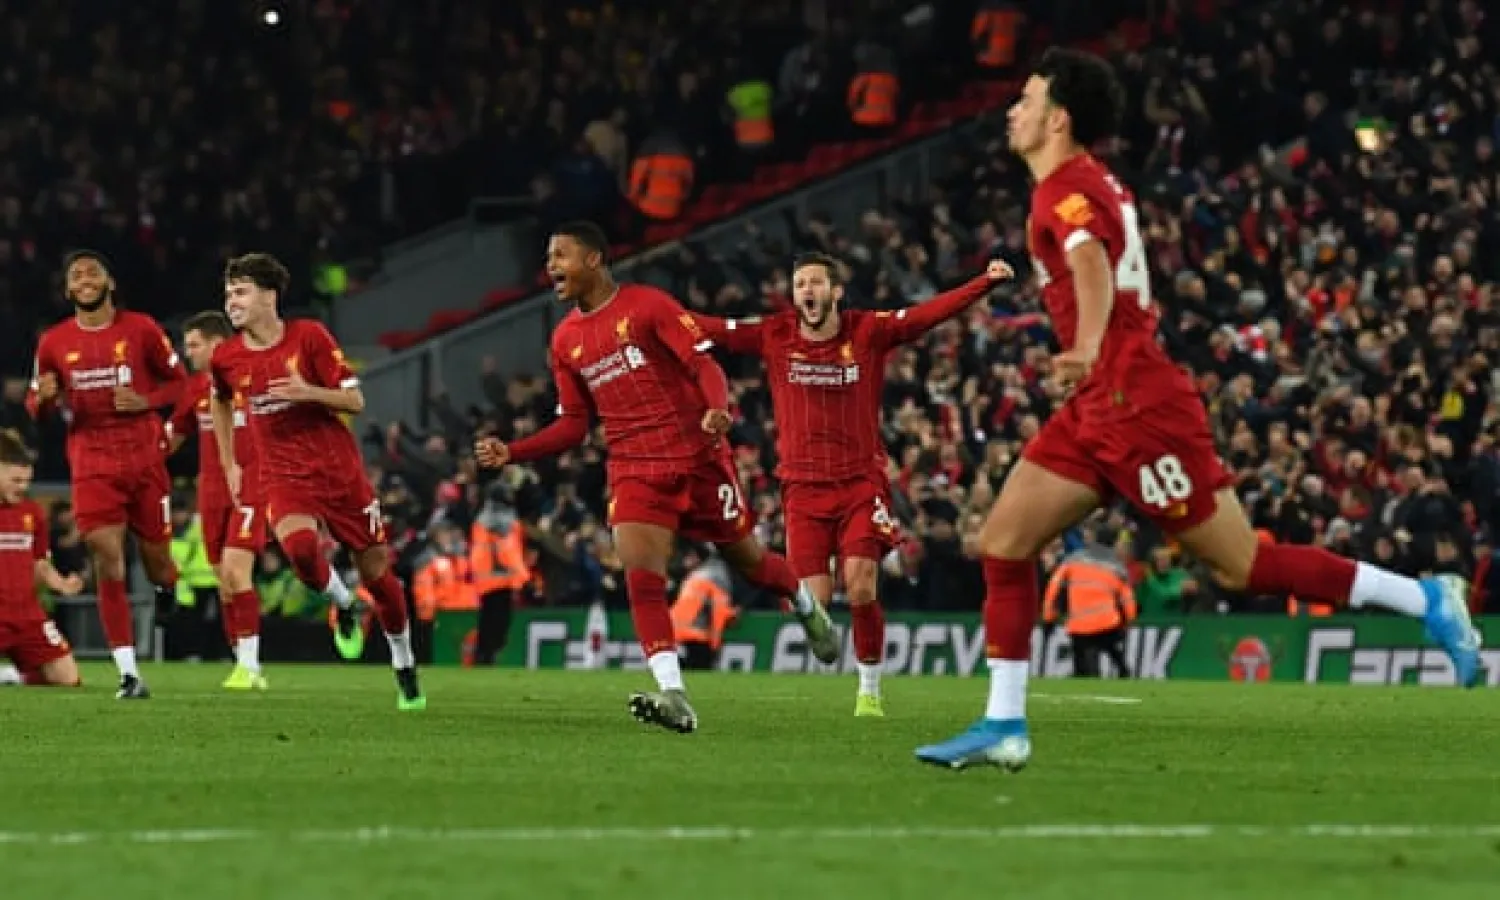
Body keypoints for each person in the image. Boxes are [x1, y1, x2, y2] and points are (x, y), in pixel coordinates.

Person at [915, 48, 1481, 772]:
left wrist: (1086, 345)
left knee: (1242, 566)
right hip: (1098, 405)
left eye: (1025, 100)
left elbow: (1089, 261)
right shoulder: (1084, 183)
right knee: (1003, 543)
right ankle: (1003, 724)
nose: (1011, 111)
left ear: (1058, 118)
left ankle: (1425, 597)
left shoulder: (1064, 191)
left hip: (1135, 405)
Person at [475, 220, 839, 734]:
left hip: (697, 459)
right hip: (634, 470)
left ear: (594, 259)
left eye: (561, 255)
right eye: (549, 256)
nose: (551, 266)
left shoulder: (650, 306)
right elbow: (575, 424)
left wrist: (717, 410)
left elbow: (703, 365)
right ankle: (674, 693)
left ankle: (805, 605)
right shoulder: (564, 341)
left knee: (750, 561)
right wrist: (513, 451)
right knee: (642, 575)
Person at [692, 255, 1012, 716]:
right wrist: (656, 316)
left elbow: (926, 315)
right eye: (799, 282)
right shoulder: (775, 333)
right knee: (812, 604)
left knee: (861, 586)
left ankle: (869, 690)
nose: (807, 290)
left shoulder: (867, 332)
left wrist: (983, 283)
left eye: (816, 282)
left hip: (860, 484)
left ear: (835, 292)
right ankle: (816, 622)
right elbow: (714, 329)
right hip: (802, 491)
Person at [210, 253, 424, 711]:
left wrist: (307, 392)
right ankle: (342, 602)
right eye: (228, 294)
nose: (232, 302)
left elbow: (355, 401)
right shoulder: (227, 357)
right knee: (302, 551)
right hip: (284, 476)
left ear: (269, 295)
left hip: (340, 475)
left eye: (241, 292)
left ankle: (403, 663)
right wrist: (229, 462)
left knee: (381, 578)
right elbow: (220, 400)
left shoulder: (309, 337)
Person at [25, 250, 187, 699]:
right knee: (106, 555)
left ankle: (165, 587)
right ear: (68, 290)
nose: (84, 278)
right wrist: (44, 400)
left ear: (109, 283)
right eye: (75, 274)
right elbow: (35, 405)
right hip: (92, 463)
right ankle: (129, 672)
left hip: (144, 459)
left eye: (92, 271)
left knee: (157, 558)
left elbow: (183, 384)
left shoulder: (142, 329)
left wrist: (146, 399)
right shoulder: (53, 343)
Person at [167, 310, 268, 690]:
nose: (187, 353)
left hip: (249, 486)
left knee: (236, 569)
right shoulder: (195, 389)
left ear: (217, 344)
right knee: (225, 581)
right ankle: (242, 662)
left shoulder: (252, 379)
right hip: (209, 493)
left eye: (194, 345)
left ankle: (250, 665)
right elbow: (172, 437)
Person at [0, 430, 85, 687]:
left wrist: (59, 583)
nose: (22, 487)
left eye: (26, 481)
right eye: (15, 480)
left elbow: (40, 562)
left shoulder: (32, 513)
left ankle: (15, 676)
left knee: (68, 680)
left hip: (27, 616)